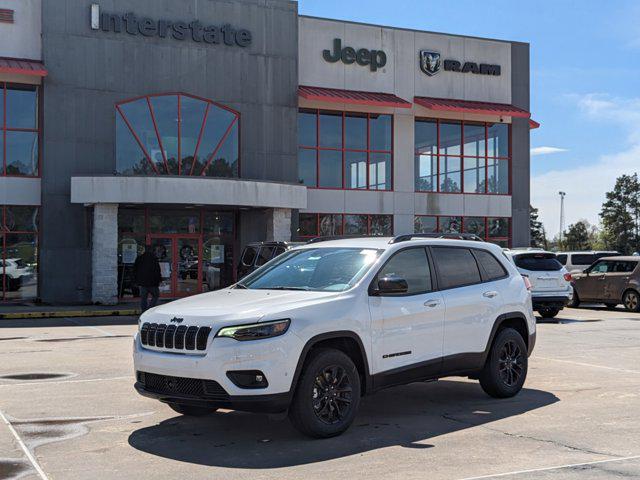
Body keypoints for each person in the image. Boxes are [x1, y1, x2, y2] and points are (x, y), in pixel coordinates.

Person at [133, 243, 162, 312]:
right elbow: (157, 271)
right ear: (151, 250)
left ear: (145, 250)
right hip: (153, 283)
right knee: (156, 296)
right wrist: (159, 280)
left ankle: (144, 312)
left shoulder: (139, 258)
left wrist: (136, 281)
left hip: (142, 283)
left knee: (143, 298)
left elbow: (135, 270)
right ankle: (149, 309)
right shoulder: (154, 258)